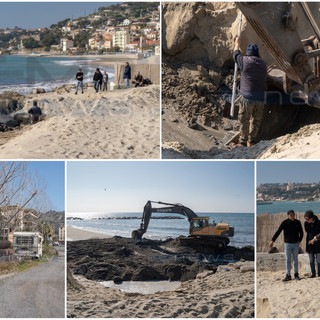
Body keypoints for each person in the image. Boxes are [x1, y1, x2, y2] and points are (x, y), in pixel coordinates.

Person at [233, 36, 267, 147]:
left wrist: (237, 43)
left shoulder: (244, 61)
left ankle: (242, 142)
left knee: (244, 120)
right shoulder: (263, 64)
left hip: (247, 98)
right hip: (261, 98)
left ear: (247, 54)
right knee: (256, 121)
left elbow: (235, 54)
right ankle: (252, 141)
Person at [269, 210, 303, 281]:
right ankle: (288, 275)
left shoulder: (298, 222)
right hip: (287, 244)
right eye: (291, 215)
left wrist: (299, 240)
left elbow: (301, 232)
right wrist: (273, 240)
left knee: (295, 260)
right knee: (288, 260)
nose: (293, 216)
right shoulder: (285, 222)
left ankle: (296, 274)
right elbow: (278, 231)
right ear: (288, 216)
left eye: (293, 215)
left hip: (295, 244)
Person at [304, 210, 320, 278]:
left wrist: (315, 239)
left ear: (312, 218)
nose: (307, 220)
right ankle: (313, 273)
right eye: (306, 219)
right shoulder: (306, 223)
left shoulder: (319, 222)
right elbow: (308, 231)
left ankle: (319, 273)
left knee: (319, 260)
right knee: (311, 260)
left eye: (308, 219)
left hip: (318, 243)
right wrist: (311, 240)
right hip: (309, 243)